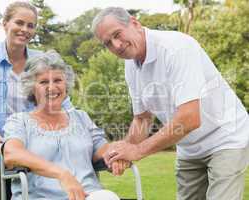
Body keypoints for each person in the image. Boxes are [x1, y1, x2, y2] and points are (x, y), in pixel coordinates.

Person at [91, 7, 249, 200]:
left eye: (117, 34)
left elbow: (190, 118)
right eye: (108, 43)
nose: (116, 45)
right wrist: (124, 151)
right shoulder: (130, 66)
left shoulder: (176, 48)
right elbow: (142, 119)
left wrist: (138, 150)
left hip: (225, 136)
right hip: (188, 148)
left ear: (134, 23)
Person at [0, 2, 71, 200]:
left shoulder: (39, 59)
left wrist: (78, 123)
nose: (25, 29)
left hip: (27, 150)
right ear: (5, 24)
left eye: (30, 25)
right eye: (19, 23)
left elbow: (59, 97)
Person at [3, 52, 129, 200]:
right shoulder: (19, 121)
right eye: (43, 82)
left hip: (88, 195)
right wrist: (61, 174)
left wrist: (117, 154)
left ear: (66, 84)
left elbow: (103, 149)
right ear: (32, 88)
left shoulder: (81, 117)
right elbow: (11, 154)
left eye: (58, 80)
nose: (52, 87)